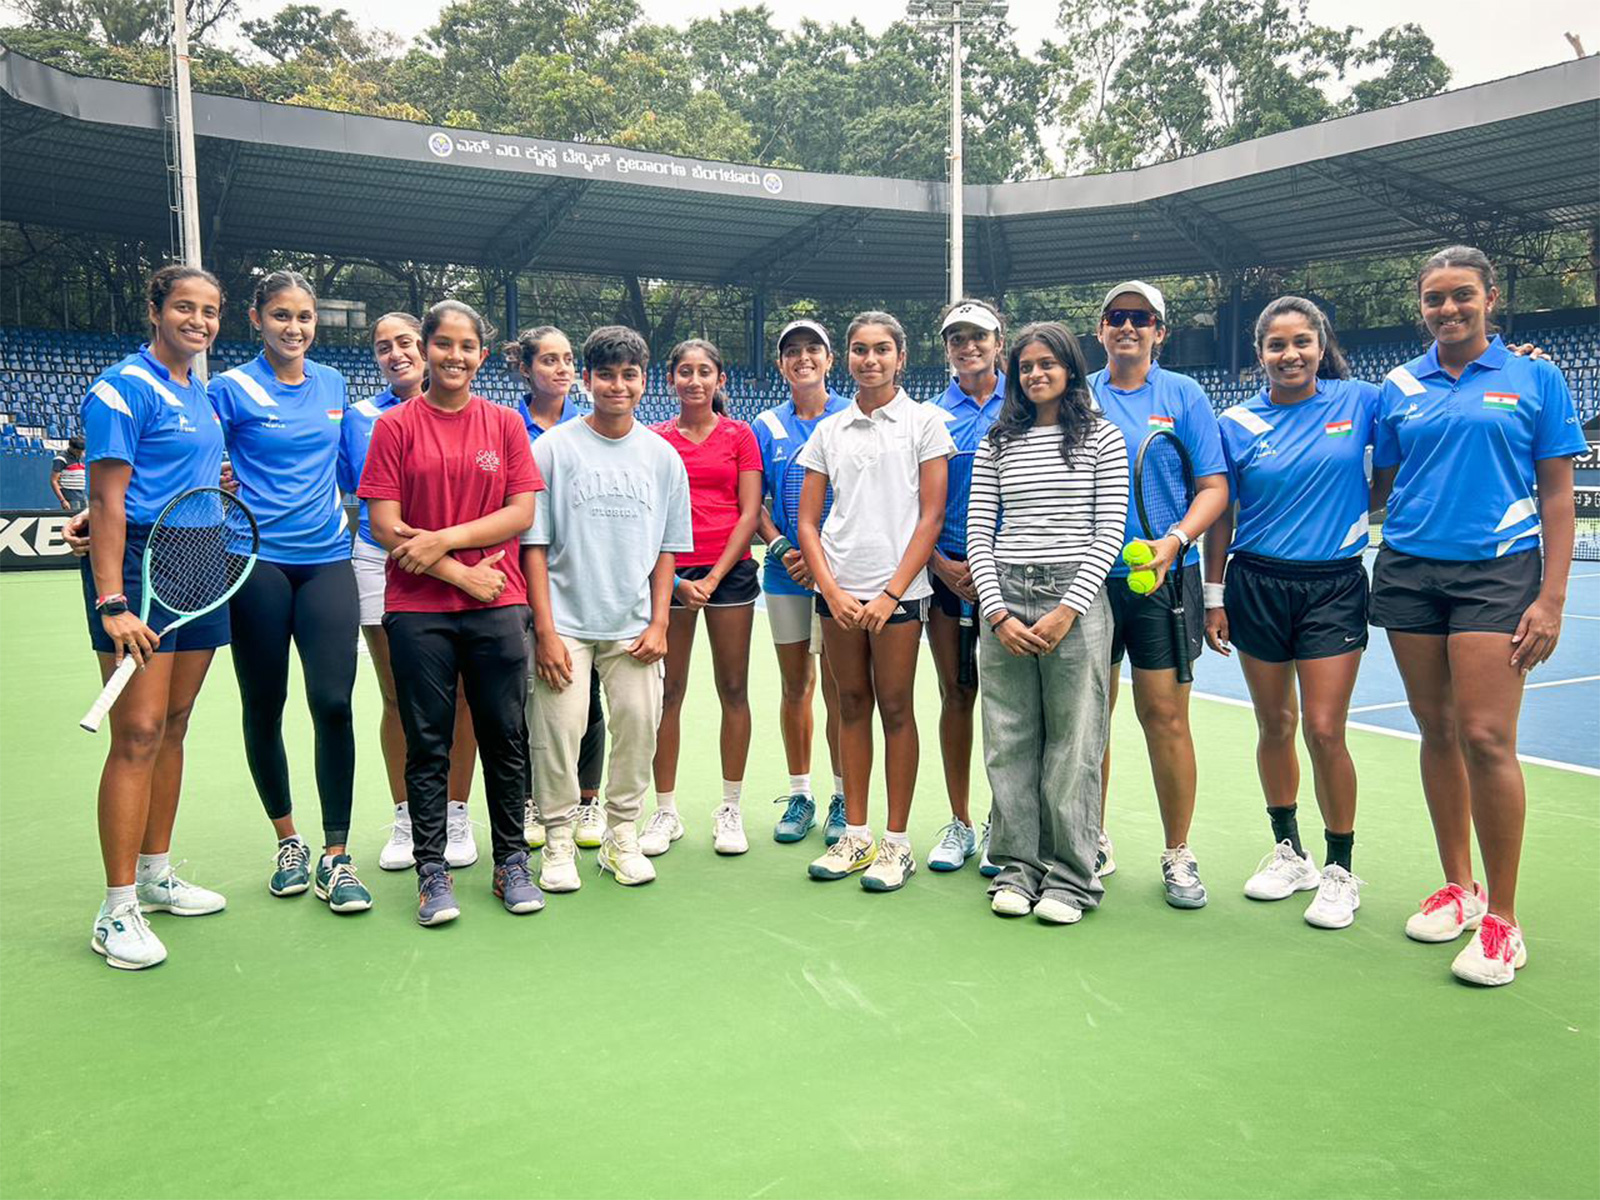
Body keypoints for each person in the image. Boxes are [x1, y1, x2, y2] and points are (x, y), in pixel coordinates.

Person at [1370, 245, 1584, 986]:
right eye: (1434, 299)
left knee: (1487, 738)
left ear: (1490, 297)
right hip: (1407, 571)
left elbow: (1559, 495)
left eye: (1462, 295)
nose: (1448, 309)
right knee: (1437, 731)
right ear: (1420, 306)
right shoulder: (1396, 386)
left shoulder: (1536, 376)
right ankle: (1460, 889)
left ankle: (1505, 921)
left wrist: (1551, 598)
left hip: (1498, 572)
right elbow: (1383, 479)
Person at [360, 299, 542, 924]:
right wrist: (457, 569)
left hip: (500, 601)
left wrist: (442, 538)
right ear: (426, 348)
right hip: (419, 607)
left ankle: (511, 862)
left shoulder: (505, 426)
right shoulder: (395, 427)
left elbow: (521, 513)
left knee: (505, 736)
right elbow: (384, 524)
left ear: (482, 356)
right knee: (428, 741)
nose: (455, 356)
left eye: (468, 347)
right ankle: (431, 872)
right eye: (444, 344)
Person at [1203, 297, 1378, 929]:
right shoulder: (1236, 423)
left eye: (1301, 341)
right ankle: (1289, 850)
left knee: (1325, 729)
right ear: (1260, 355)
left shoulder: (1361, 401)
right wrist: (1214, 595)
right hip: (1256, 584)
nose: (1290, 354)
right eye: (1277, 345)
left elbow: (1419, 437)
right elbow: (1221, 514)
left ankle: (1339, 867)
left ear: (1320, 344)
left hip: (1332, 584)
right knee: (1275, 723)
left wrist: (1520, 365)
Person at [79, 264, 230, 969]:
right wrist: (112, 602)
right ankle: (115, 912)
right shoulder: (120, 389)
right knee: (136, 732)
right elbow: (108, 502)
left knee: (174, 722)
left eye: (209, 311)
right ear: (155, 310)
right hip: (139, 563)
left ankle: (156, 874)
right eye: (184, 308)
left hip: (201, 556)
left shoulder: (199, 393)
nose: (197, 321)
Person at [208, 270, 366, 911]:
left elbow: (358, 469)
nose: (293, 328)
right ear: (256, 319)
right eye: (280, 316)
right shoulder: (230, 388)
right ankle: (289, 841)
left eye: (303, 317)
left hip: (328, 559)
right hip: (254, 563)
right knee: (265, 703)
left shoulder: (333, 384)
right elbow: (191, 456)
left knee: (333, 703)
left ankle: (336, 855)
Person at [967, 322, 1127, 924]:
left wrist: (1067, 610)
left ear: (1070, 368)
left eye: (1047, 363)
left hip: (1074, 600)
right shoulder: (997, 442)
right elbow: (980, 530)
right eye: (1026, 366)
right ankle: (1016, 867)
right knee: (1009, 740)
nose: (1036, 374)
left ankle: (1071, 879)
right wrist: (997, 611)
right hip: (1005, 594)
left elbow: (1108, 532)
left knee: (1075, 742)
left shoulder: (1102, 439)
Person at [522, 326, 692, 892]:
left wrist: (661, 621)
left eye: (629, 375)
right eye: (606, 375)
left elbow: (668, 549)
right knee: (557, 734)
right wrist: (544, 631)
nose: (618, 386)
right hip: (565, 624)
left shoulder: (663, 457)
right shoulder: (552, 449)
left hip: (634, 626)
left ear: (645, 382)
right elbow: (534, 547)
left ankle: (622, 834)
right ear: (587, 379)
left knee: (640, 728)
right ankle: (559, 838)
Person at [796, 311, 954, 892]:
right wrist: (831, 591)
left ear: (900, 357)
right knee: (851, 707)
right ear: (848, 357)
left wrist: (891, 593)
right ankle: (855, 834)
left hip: (901, 596)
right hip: (837, 594)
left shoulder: (926, 423)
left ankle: (896, 843)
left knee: (895, 709)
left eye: (881, 349)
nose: (870, 359)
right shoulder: (829, 431)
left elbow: (931, 516)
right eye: (860, 350)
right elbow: (808, 522)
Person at [1089, 280, 1230, 908]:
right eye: (1116, 317)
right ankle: (1089, 837)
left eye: (1140, 318)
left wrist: (1175, 541)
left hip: (1163, 583)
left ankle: (1178, 852)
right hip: (1086, 585)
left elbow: (1214, 487)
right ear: (1100, 330)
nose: (1128, 327)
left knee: (1165, 718)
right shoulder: (1078, 394)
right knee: (1086, 722)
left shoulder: (1185, 395)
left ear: (1159, 332)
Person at [339, 312, 481, 875]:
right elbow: (368, 506)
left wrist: (445, 557)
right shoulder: (359, 418)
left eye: (403, 343)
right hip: (382, 559)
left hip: (460, 560)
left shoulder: (472, 412)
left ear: (423, 351)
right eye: (382, 347)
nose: (395, 353)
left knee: (464, 696)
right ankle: (408, 816)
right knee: (399, 697)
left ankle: (456, 812)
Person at [641, 339, 763, 857]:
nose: (695, 380)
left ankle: (730, 807)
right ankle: (664, 810)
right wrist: (675, 582)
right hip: (671, 574)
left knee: (733, 687)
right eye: (685, 372)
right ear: (671, 379)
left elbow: (749, 510)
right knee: (668, 693)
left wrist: (713, 578)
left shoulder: (740, 436)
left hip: (728, 574)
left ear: (720, 381)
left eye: (705, 372)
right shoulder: (653, 439)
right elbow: (647, 516)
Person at [506, 325, 607, 851]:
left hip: (580, 581)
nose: (562, 369)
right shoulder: (507, 426)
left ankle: (589, 800)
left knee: (586, 694)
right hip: (519, 578)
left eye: (568, 359)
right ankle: (531, 798)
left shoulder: (595, 425)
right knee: (528, 697)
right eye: (548, 360)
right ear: (525, 368)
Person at [753, 319, 849, 846]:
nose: (804, 357)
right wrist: (784, 547)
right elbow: (758, 504)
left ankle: (842, 797)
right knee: (797, 687)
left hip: (842, 574)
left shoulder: (853, 416)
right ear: (782, 364)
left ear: (829, 360)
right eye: (793, 351)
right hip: (786, 574)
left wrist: (824, 559)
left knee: (840, 690)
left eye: (813, 349)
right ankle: (800, 793)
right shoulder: (767, 424)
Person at [924, 299, 1006, 873]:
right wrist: (938, 563)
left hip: (1017, 576)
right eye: (957, 338)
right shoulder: (930, 415)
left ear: (999, 341)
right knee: (957, 695)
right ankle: (960, 821)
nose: (968, 345)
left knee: (1012, 706)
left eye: (978, 335)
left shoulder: (1027, 403)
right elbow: (910, 503)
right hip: (949, 574)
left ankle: (1010, 822)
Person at [51, 435, 87, 512]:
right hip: (70, 497)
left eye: (83, 451)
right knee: (74, 522)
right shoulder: (60, 459)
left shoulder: (81, 457)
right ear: (71, 447)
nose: (81, 454)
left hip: (82, 495)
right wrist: (63, 500)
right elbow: (53, 481)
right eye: (78, 451)